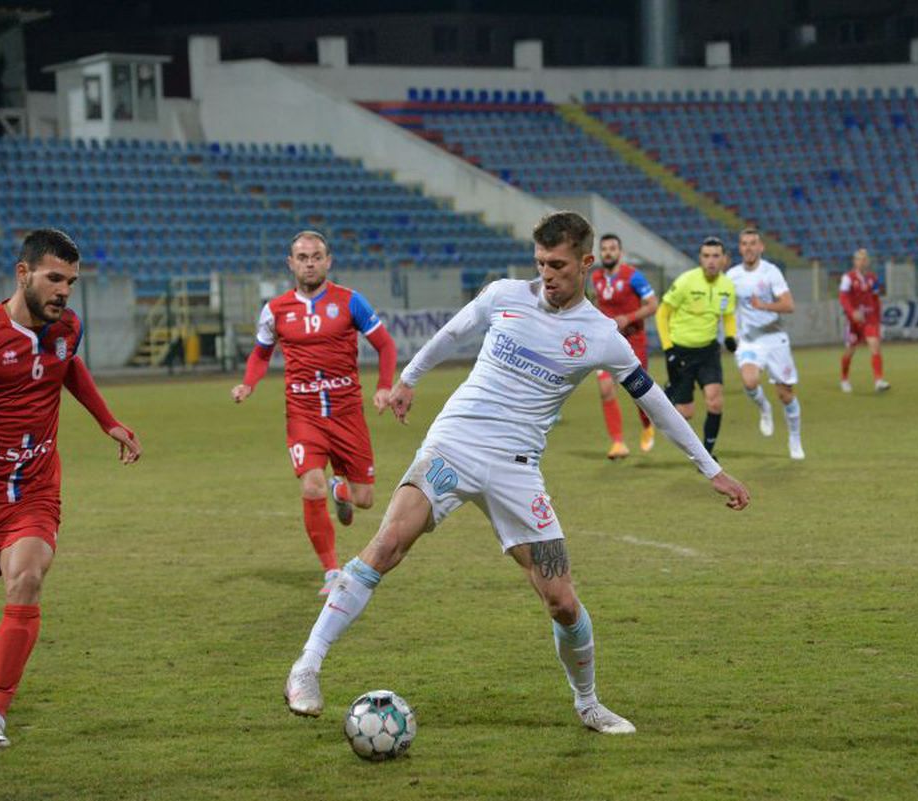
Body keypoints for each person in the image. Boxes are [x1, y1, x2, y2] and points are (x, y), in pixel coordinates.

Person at [282, 211, 750, 734]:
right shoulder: (504, 295)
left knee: (562, 601)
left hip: (516, 471)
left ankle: (588, 702)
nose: (546, 275)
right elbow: (455, 331)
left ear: (586, 263)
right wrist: (408, 379)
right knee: (387, 545)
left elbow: (658, 404)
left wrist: (712, 470)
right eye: (540, 263)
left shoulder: (601, 336)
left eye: (557, 265)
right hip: (452, 446)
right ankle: (307, 665)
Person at [0, 228, 142, 748]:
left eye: (70, 281)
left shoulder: (68, 326)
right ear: (22, 274)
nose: (64, 290)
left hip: (32, 490)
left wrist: (107, 421)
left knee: (26, 577)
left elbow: (68, 366)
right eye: (54, 278)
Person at [232, 231, 397, 595]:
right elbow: (261, 354)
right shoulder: (275, 310)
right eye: (302, 257)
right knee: (311, 485)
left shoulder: (350, 301)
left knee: (365, 499)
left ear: (328, 261)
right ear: (291, 263)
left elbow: (385, 345)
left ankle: (343, 489)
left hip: (347, 413)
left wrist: (385, 386)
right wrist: (249, 383)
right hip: (303, 414)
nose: (309, 263)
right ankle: (331, 571)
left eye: (316, 256)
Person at [726, 228, 805, 460]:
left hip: (774, 339)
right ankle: (764, 408)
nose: (749, 248)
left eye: (753, 243)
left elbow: (789, 305)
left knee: (785, 394)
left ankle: (794, 437)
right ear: (740, 248)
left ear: (761, 247)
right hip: (748, 341)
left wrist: (764, 306)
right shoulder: (732, 276)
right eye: (744, 243)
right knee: (749, 381)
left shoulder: (771, 272)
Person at [654, 237, 737, 456]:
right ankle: (670, 394)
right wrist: (668, 348)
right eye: (707, 256)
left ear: (724, 259)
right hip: (681, 352)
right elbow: (662, 313)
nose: (711, 261)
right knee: (686, 413)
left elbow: (728, 315)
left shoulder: (727, 285)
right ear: (700, 258)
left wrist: (730, 336)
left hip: (709, 351)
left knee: (715, 402)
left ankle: (707, 453)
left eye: (716, 256)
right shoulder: (685, 281)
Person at [590, 233, 659, 458]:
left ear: (620, 252)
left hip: (634, 339)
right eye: (604, 249)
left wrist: (627, 319)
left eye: (612, 248)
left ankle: (647, 424)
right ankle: (618, 443)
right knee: (606, 389)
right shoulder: (596, 277)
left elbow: (652, 305)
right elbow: (596, 303)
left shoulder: (634, 277)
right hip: (607, 342)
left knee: (638, 390)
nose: (608, 252)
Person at [838, 248, 890, 393]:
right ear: (855, 261)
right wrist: (851, 312)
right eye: (859, 259)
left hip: (869, 318)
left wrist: (878, 319)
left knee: (874, 345)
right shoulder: (848, 278)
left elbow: (875, 299)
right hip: (854, 321)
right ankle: (844, 379)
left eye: (864, 259)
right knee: (850, 350)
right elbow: (843, 297)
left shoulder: (872, 278)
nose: (862, 262)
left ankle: (879, 381)